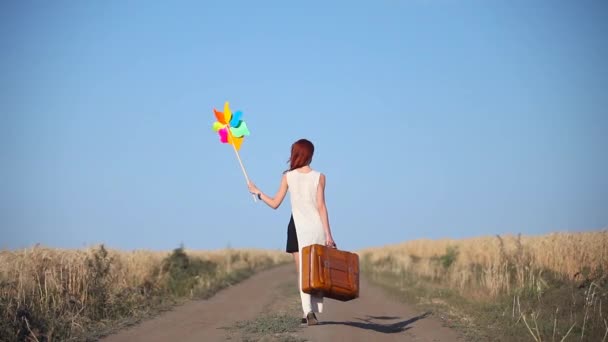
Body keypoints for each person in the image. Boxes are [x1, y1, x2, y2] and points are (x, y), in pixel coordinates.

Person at [247, 138, 336, 326]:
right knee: (315, 271)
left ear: (295, 154)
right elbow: (321, 206)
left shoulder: (288, 176)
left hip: (297, 227)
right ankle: (309, 311)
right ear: (310, 155)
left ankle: (308, 311)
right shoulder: (320, 176)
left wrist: (258, 192)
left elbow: (275, 203)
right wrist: (329, 234)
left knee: (303, 271)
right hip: (317, 227)